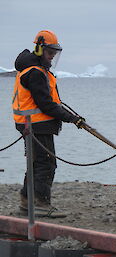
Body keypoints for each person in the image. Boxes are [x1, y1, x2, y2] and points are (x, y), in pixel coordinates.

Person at [12, 30, 84, 218]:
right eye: (49, 52)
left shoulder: (33, 70)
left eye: (54, 53)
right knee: (45, 164)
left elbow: (49, 101)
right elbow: (46, 105)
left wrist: (68, 115)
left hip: (31, 124)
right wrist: (72, 118)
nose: (52, 57)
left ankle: (26, 202)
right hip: (36, 124)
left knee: (35, 163)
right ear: (39, 49)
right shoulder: (35, 73)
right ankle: (41, 204)